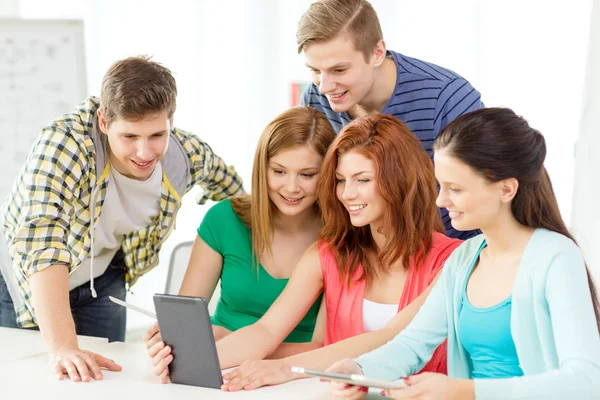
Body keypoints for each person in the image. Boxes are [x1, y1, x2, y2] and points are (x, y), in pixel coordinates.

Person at [148, 114, 462, 389]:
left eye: (362, 180)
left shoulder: (455, 260)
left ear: (400, 181)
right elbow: (266, 330)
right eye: (340, 180)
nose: (346, 193)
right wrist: (190, 361)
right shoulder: (328, 254)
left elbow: (394, 337)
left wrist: (285, 369)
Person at [0, 56, 244, 382]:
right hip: (23, 282)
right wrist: (62, 346)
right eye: (129, 137)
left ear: (171, 120)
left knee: (106, 381)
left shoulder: (186, 154)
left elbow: (239, 197)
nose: (144, 153)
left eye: (157, 134)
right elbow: (43, 244)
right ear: (103, 121)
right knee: (31, 381)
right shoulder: (65, 145)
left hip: (102, 281)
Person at [328, 108, 600, 400]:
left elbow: (586, 380)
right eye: (441, 186)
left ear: (506, 189)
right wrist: (358, 369)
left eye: (455, 189)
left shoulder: (556, 257)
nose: (441, 200)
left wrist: (464, 391)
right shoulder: (464, 257)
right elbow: (413, 343)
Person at [142, 106, 336, 382]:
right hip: (216, 365)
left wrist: (232, 343)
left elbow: (321, 348)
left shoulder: (338, 240)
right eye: (279, 171)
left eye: (307, 175)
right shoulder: (224, 220)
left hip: (292, 374)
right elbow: (184, 322)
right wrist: (171, 342)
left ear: (327, 174)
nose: (291, 187)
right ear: (262, 168)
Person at [297, 0, 483, 240]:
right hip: (365, 251)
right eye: (315, 70)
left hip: (451, 251)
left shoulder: (446, 97)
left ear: (377, 53)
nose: (324, 87)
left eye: (339, 70)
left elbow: (481, 193)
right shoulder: (315, 99)